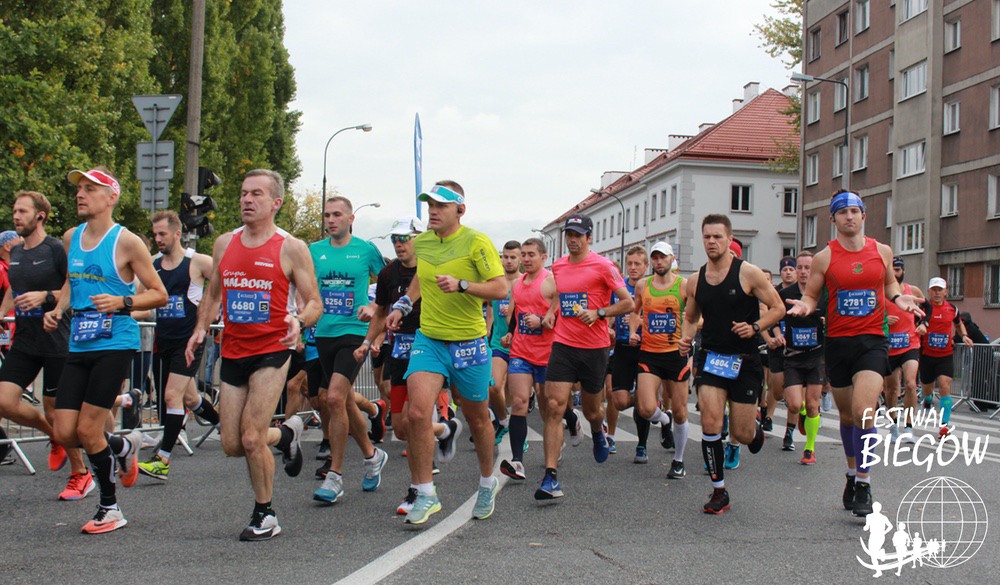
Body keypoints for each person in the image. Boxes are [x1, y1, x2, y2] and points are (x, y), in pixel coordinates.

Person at [186, 169, 321, 541]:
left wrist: (299, 321)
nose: (247, 199)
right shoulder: (224, 243)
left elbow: (314, 302)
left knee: (250, 438)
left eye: (256, 194)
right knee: (232, 444)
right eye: (244, 193)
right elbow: (214, 293)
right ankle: (286, 435)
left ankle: (266, 514)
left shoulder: (291, 247)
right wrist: (200, 328)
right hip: (234, 349)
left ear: (276, 202)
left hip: (272, 349)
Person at [42, 168, 167, 533]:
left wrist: (122, 301)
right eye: (79, 189)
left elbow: (158, 293)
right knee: (64, 431)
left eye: (90, 189)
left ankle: (110, 508)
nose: (80, 194)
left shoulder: (127, 242)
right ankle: (123, 446)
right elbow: (72, 281)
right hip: (80, 340)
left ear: (112, 197)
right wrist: (58, 309)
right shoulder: (71, 237)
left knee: (87, 429)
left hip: (115, 342)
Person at [786, 191, 923, 517]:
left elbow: (889, 286)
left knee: (864, 412)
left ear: (863, 215)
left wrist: (899, 299)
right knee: (847, 417)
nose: (849, 216)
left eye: (854, 210)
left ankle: (864, 481)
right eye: (842, 212)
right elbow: (812, 295)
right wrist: (805, 306)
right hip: (838, 343)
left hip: (873, 341)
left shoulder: (881, 251)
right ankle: (851, 473)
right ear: (833, 219)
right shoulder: (824, 257)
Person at [385, 181, 508, 525]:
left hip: (468, 342)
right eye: (430, 206)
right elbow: (421, 279)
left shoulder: (476, 242)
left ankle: (487, 482)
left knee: (478, 419)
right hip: (430, 340)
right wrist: (404, 304)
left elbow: (500, 288)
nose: (433, 211)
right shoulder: (423, 242)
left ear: (460, 210)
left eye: (441, 206)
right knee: (416, 414)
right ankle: (425, 493)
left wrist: (463, 285)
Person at [353, 215, 459, 516]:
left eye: (404, 238)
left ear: (419, 239)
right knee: (400, 428)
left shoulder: (433, 267)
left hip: (430, 349)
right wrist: (367, 342)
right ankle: (445, 429)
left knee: (416, 418)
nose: (399, 244)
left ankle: (417, 490)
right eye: (394, 239)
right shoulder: (388, 273)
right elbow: (380, 311)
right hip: (400, 351)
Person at [679, 214, 784, 514]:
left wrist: (755, 327)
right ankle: (719, 491)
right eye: (707, 237)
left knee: (742, 434)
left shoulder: (748, 273)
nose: (712, 242)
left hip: (745, 361)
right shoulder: (696, 280)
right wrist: (686, 339)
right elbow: (690, 317)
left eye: (717, 237)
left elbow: (777, 308)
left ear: (729, 239)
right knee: (711, 422)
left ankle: (754, 428)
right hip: (712, 358)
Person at [535, 213, 634, 501]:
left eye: (578, 235)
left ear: (589, 237)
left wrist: (599, 312)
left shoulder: (603, 266)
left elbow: (628, 302)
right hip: (563, 344)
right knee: (554, 405)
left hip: (594, 348)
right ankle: (550, 477)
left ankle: (597, 430)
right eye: (569, 235)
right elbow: (560, 295)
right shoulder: (559, 266)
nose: (573, 240)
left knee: (592, 410)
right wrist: (551, 312)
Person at [0, 191, 92, 500]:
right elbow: (14, 288)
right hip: (26, 340)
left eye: (23, 211)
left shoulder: (55, 248)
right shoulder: (17, 252)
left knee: (57, 412)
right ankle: (52, 435)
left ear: (40, 216)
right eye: (15, 210)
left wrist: (46, 297)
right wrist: (1, 312)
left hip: (56, 339)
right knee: (3, 401)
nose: (16, 216)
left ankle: (81, 473)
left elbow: (74, 285)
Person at [310, 195, 388, 505]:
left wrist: (374, 307)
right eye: (327, 215)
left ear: (351, 218)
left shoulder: (365, 250)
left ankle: (335, 475)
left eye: (337, 215)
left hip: (355, 332)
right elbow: (304, 289)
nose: (331, 220)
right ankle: (371, 455)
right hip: (324, 332)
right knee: (343, 399)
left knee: (332, 397)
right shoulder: (314, 251)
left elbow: (389, 286)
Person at [132, 211, 220, 481]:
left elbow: (224, 285)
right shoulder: (152, 264)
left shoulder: (198, 262)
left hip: (189, 341)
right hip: (164, 341)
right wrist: (122, 313)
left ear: (177, 234)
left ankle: (163, 460)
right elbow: (139, 302)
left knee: (171, 396)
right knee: (190, 399)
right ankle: (226, 425)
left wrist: (211, 314)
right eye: (155, 234)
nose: (158, 239)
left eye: (163, 234)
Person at [629, 242, 690, 478]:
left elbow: (697, 316)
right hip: (650, 354)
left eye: (662, 257)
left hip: (676, 354)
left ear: (672, 259)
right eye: (655, 258)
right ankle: (664, 420)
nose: (658, 262)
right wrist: (633, 332)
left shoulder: (684, 285)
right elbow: (635, 312)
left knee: (681, 412)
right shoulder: (643, 285)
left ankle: (678, 460)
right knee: (645, 408)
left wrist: (687, 335)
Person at [499, 237, 557, 480]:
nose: (526, 259)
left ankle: (569, 420)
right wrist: (510, 333)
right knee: (519, 402)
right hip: (521, 352)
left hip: (547, 353)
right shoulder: (517, 284)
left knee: (549, 406)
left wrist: (542, 320)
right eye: (523, 254)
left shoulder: (551, 281)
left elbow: (563, 317)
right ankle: (517, 462)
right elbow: (516, 316)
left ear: (543, 257)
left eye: (531, 254)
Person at [777, 251, 826, 464]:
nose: (804, 272)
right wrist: (777, 334)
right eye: (800, 267)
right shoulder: (786, 294)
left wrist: (827, 322)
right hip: (793, 356)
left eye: (808, 268)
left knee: (814, 403)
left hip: (816, 355)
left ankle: (809, 449)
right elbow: (774, 317)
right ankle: (802, 413)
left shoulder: (824, 294)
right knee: (795, 405)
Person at [608, 247, 654, 462]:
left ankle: (642, 445)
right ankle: (647, 402)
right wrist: (609, 328)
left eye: (638, 264)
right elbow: (609, 314)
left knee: (644, 404)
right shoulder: (618, 288)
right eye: (630, 264)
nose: (633, 268)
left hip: (646, 349)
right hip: (622, 348)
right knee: (619, 401)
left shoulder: (652, 288)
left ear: (646, 266)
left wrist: (640, 322)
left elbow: (663, 320)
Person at [918, 277, 974, 436]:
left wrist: (964, 335)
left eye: (940, 290)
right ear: (929, 292)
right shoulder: (922, 309)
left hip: (945, 355)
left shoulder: (952, 309)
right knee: (927, 388)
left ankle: (944, 426)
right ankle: (928, 399)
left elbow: (958, 323)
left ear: (946, 292)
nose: (937, 293)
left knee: (944, 385)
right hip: (926, 355)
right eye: (934, 290)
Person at [884, 257, 923, 443]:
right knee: (891, 389)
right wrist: (884, 319)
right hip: (889, 347)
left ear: (903, 271)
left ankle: (908, 428)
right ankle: (893, 427)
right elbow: (870, 315)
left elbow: (927, 308)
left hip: (910, 344)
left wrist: (924, 324)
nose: (895, 273)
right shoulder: (881, 292)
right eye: (892, 270)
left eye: (898, 269)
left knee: (910, 384)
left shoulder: (912, 290)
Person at [486, 240, 521, 445]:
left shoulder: (524, 282)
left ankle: (519, 435)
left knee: (517, 397)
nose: (508, 261)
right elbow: (490, 308)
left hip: (520, 345)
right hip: (498, 343)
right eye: (505, 257)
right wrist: (487, 330)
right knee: (493, 386)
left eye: (513, 257)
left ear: (520, 259)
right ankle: (503, 421)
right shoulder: (496, 283)